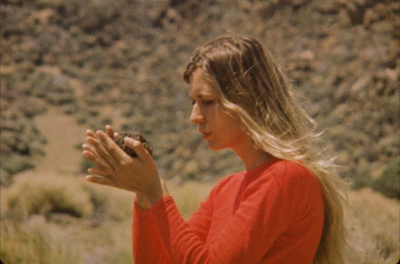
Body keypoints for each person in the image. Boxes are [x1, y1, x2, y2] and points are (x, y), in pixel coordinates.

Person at [82, 34, 349, 264]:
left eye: (207, 101)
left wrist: (156, 193)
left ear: (247, 99)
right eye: (193, 103)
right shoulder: (225, 189)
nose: (194, 117)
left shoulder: (287, 179)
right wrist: (143, 192)